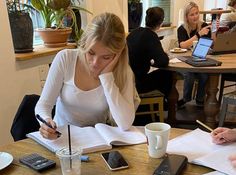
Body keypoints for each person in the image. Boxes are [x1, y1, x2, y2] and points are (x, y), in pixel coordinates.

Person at [35, 12, 140, 140]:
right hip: (62, 139)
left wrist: (107, 77)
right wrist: (46, 122)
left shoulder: (123, 72)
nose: (95, 63)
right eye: (91, 52)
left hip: (96, 141)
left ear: (118, 55)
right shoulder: (66, 58)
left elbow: (125, 124)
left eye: (106, 57)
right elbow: (43, 105)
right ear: (84, 44)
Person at [126, 7, 173, 100]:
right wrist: (152, 63)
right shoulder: (151, 36)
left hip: (127, 80)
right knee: (167, 74)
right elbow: (163, 61)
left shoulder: (134, 32)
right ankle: (162, 104)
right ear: (161, 22)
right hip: (138, 83)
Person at [177, 1, 211, 108]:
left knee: (204, 74)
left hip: (200, 59)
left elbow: (210, 43)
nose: (195, 16)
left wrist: (214, 31)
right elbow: (182, 45)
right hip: (185, 61)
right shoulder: (182, 29)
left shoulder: (204, 26)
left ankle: (200, 99)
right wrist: (198, 34)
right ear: (186, 17)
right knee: (189, 75)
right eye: (192, 14)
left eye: (196, 13)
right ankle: (186, 99)